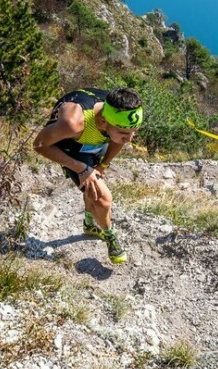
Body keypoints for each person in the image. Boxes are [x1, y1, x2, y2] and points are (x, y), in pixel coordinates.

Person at [33, 87, 143, 264]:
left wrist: (103, 165)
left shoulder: (121, 111)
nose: (130, 139)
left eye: (134, 131)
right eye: (124, 133)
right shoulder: (73, 122)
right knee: (103, 199)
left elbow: (119, 139)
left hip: (96, 141)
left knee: (92, 187)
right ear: (103, 121)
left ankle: (89, 225)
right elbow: (39, 144)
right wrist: (82, 169)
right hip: (72, 147)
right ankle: (110, 234)